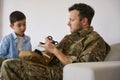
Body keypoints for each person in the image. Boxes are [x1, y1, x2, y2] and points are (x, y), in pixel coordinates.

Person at [1, 3, 110, 80]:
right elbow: (51, 57)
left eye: (72, 20)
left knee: (9, 64)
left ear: (85, 21)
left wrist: (54, 50)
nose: (68, 23)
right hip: (47, 66)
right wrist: (50, 48)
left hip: (60, 73)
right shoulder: (69, 37)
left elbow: (82, 67)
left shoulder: (95, 40)